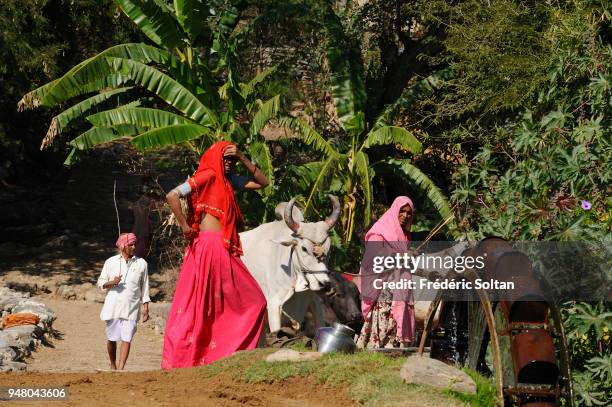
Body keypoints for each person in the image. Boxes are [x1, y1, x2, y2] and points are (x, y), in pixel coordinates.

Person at [161, 141, 268, 369]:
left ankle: (221, 354)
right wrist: (184, 226)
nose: (229, 163)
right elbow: (172, 196)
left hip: (223, 247)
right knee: (199, 305)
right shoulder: (208, 175)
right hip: (208, 247)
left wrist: (242, 157)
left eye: (231, 159)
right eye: (225, 159)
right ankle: (192, 356)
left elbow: (263, 182)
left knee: (254, 300)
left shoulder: (229, 181)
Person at [356, 196, 416, 349]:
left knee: (399, 312)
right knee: (384, 313)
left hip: (399, 285)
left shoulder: (404, 235)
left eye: (409, 213)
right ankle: (379, 345)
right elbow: (373, 259)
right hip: (384, 286)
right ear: (395, 210)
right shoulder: (380, 231)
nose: (405, 216)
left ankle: (395, 344)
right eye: (402, 211)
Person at [97, 232, 150, 370]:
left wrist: (146, 306)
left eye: (134, 244)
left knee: (127, 338)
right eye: (130, 244)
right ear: (122, 246)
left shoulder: (142, 263)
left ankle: (120, 369)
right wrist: (112, 282)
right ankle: (113, 365)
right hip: (113, 306)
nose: (133, 247)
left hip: (132, 307)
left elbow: (145, 286)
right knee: (112, 339)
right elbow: (100, 283)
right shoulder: (110, 262)